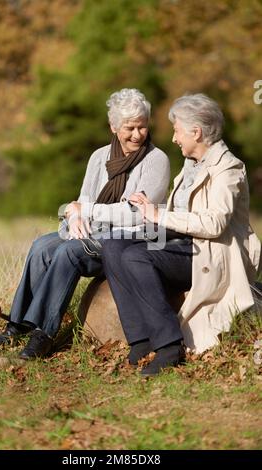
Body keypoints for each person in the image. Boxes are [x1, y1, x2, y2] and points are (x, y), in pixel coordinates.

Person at [0, 88, 170, 359]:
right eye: (129, 128)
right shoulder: (99, 157)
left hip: (126, 239)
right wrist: (74, 218)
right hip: (94, 231)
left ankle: (44, 334)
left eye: (142, 127)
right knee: (42, 245)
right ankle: (18, 324)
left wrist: (87, 210)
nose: (137, 135)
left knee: (69, 252)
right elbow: (81, 201)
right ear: (113, 127)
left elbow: (136, 214)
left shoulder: (157, 160)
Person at [102, 93, 261, 376]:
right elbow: (182, 214)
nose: (174, 138)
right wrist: (150, 210)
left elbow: (214, 224)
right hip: (185, 243)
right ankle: (139, 339)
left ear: (195, 132)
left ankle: (169, 345)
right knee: (114, 244)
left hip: (213, 253)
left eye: (177, 130)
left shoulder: (228, 169)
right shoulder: (191, 166)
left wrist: (158, 215)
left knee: (138, 257)